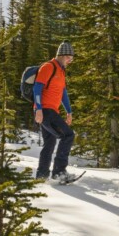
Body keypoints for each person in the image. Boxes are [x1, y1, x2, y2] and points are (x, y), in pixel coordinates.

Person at [34, 41, 76, 182]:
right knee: (68, 135)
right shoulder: (48, 67)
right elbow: (37, 88)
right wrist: (39, 109)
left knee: (50, 142)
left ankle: (41, 175)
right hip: (45, 110)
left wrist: (69, 112)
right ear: (63, 55)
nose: (71, 60)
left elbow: (63, 94)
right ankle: (59, 172)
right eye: (70, 57)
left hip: (52, 111)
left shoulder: (61, 71)